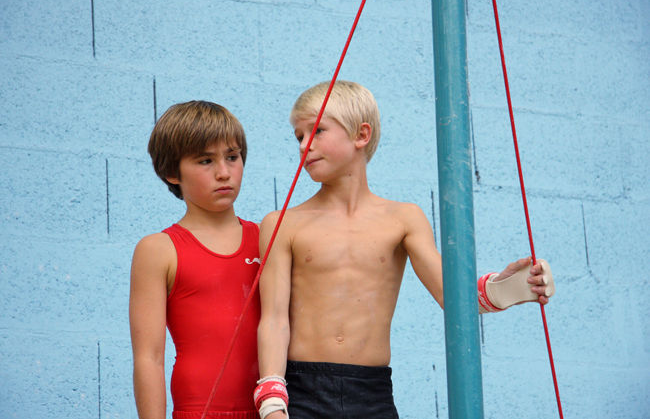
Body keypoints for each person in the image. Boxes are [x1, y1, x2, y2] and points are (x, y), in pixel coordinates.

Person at [254, 81, 554, 419]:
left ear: (361, 135)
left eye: (317, 130)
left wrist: (508, 287)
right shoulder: (282, 223)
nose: (305, 145)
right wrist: (271, 401)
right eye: (298, 136)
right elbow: (274, 319)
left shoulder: (403, 218)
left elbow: (453, 298)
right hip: (302, 391)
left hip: (372, 393)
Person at [129, 100, 260, 419]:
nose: (224, 172)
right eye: (205, 160)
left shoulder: (268, 237)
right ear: (172, 172)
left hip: (273, 410)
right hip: (199, 411)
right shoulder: (158, 249)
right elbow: (149, 357)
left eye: (232, 157)